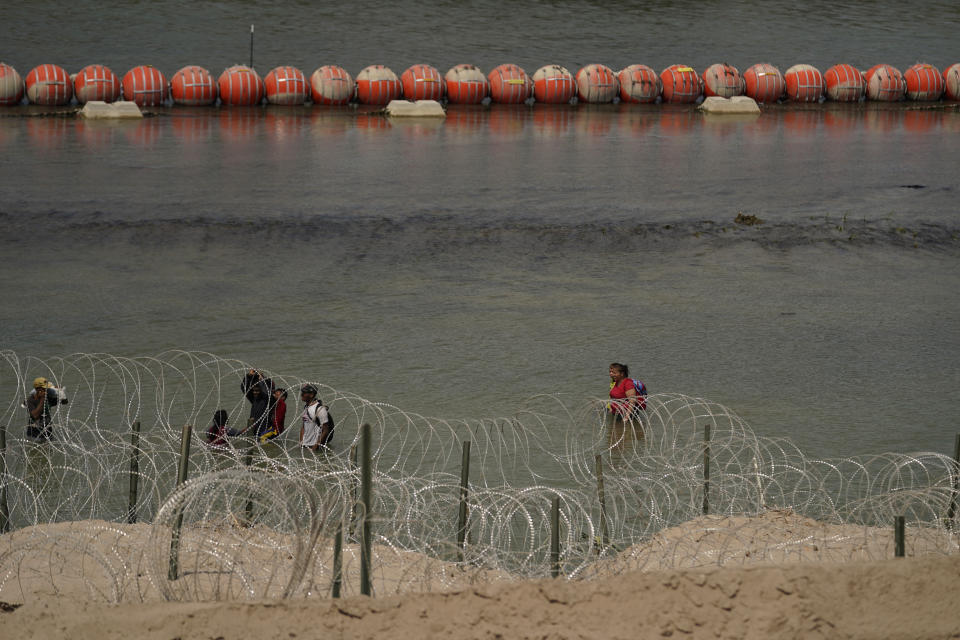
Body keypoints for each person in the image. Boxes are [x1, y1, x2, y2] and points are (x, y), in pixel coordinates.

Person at [26, 376, 66, 441]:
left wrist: (59, 391)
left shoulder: (48, 398)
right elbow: (35, 415)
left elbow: (64, 402)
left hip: (47, 433)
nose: (46, 390)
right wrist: (42, 399)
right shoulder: (30, 400)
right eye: (44, 389)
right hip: (35, 436)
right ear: (38, 389)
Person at [241, 369, 274, 438]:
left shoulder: (268, 400)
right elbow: (244, 388)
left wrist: (262, 380)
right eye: (254, 391)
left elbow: (266, 391)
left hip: (265, 432)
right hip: (254, 430)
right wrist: (248, 376)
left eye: (257, 391)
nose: (254, 392)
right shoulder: (254, 399)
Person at [299, 384, 333, 452]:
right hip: (305, 445)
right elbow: (304, 426)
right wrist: (301, 442)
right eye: (302, 392)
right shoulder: (306, 407)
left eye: (304, 393)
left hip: (314, 447)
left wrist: (316, 446)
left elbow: (325, 430)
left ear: (311, 395)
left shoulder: (320, 409)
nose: (301, 394)